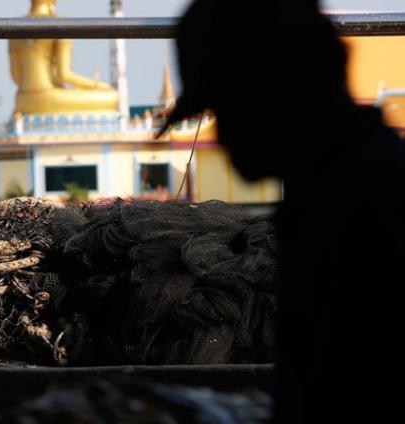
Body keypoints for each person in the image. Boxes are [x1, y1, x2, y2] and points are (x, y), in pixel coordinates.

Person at [164, 0, 405, 421]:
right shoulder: (339, 196)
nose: (221, 137)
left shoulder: (361, 214)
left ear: (278, 92)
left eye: (227, 106)